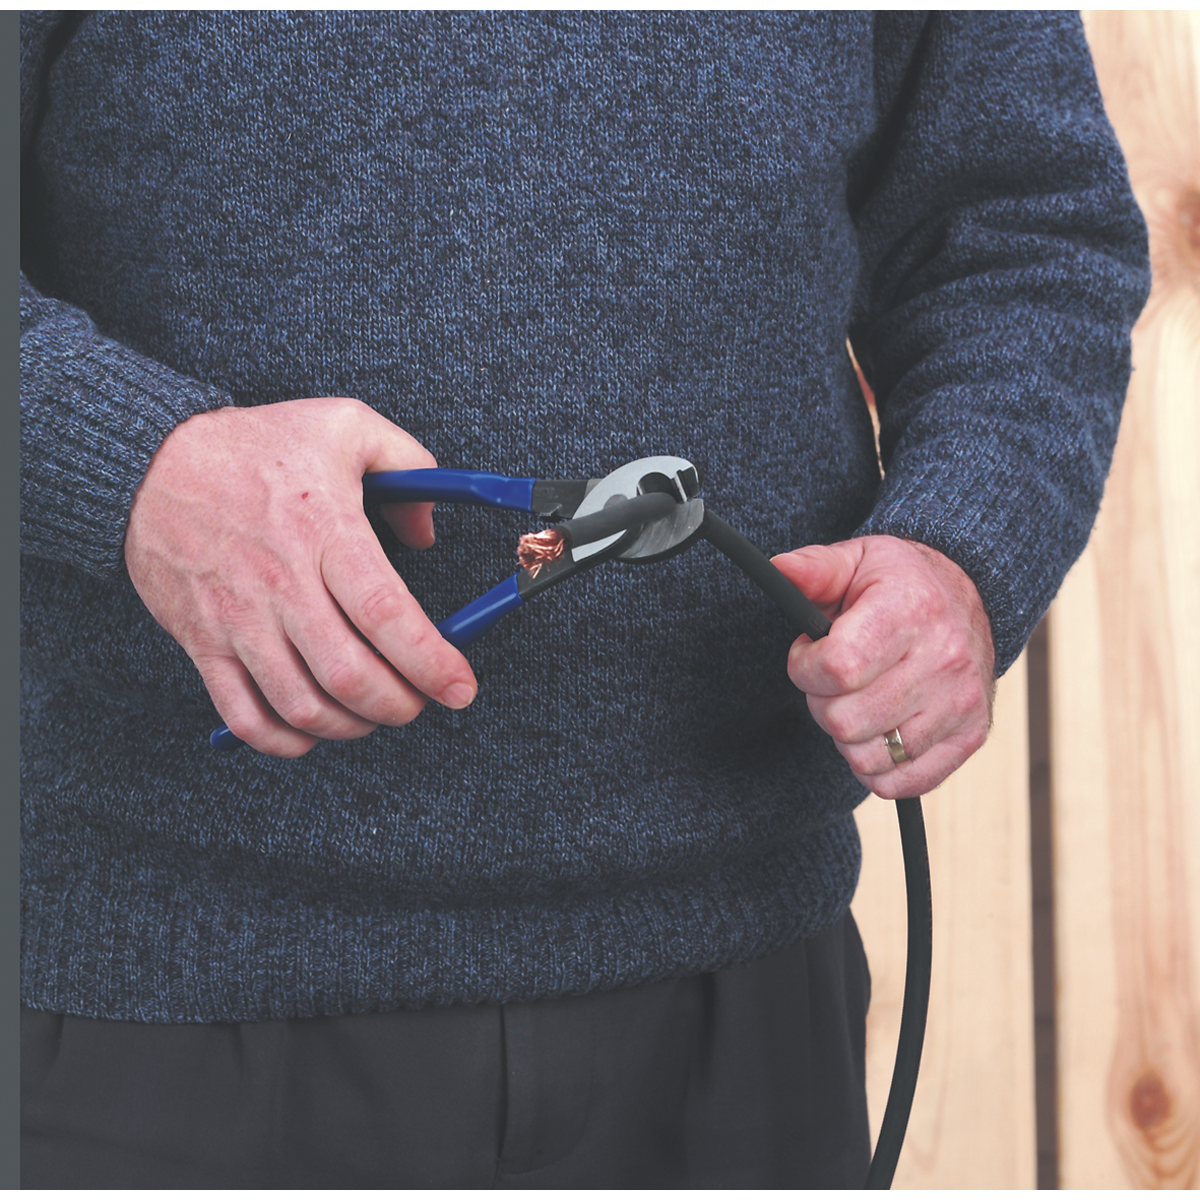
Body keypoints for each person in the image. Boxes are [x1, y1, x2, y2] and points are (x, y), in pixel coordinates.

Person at [19, 11, 1149, 1188]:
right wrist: (135, 468)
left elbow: (1021, 239)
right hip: (151, 999)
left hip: (747, 1002)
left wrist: (961, 546)